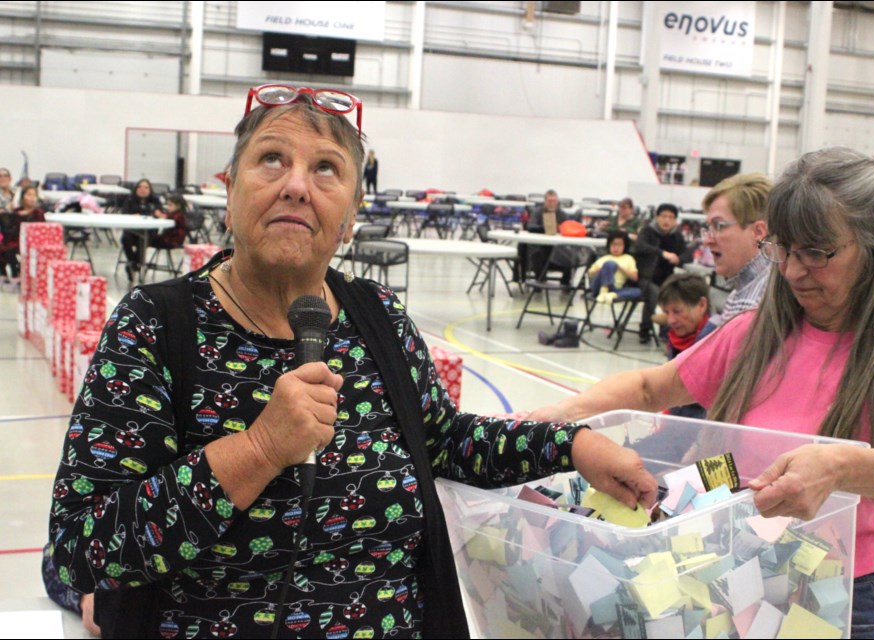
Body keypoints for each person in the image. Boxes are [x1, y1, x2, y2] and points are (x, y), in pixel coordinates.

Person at [49, 86, 658, 639]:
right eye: (271, 160)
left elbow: (445, 442)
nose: (296, 185)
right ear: (228, 191)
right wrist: (259, 450)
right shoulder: (157, 325)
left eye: (325, 169)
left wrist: (572, 445)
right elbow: (81, 548)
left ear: (349, 218)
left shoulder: (376, 313)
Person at [530, 147, 874, 639]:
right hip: (733, 580)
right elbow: (650, 386)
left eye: (817, 253)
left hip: (841, 600)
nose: (795, 271)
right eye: (784, 250)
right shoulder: (755, 334)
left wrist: (844, 467)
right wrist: (552, 417)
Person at [700, 172, 772, 332]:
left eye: (719, 226)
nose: (707, 240)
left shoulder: (771, 298)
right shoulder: (738, 293)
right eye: (708, 228)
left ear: (758, 232)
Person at [632, 203, 691, 343]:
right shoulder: (647, 231)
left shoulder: (676, 235)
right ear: (657, 217)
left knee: (678, 293)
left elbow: (688, 254)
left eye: (671, 218)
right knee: (654, 292)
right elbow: (640, 246)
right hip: (644, 276)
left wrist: (679, 258)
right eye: (664, 216)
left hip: (666, 278)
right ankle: (645, 329)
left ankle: (669, 330)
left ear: (675, 221)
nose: (667, 221)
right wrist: (662, 253)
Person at [657, 273, 710, 419]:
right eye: (667, 312)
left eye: (677, 311)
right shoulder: (674, 337)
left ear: (702, 305)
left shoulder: (714, 341)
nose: (671, 320)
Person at [523, 189, 575, 284]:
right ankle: (540, 282)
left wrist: (560, 229)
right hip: (541, 248)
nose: (552, 204)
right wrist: (545, 228)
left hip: (558, 249)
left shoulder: (562, 215)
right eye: (549, 201)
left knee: (570, 254)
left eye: (554, 201)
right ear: (545, 201)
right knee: (535, 254)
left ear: (557, 202)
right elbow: (530, 226)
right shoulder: (538, 212)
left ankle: (565, 283)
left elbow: (569, 228)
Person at [119, 178, 164, 281]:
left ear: (150, 190)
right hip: (132, 230)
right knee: (125, 238)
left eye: (146, 187)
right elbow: (124, 214)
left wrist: (155, 214)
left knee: (143, 240)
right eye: (140, 187)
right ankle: (134, 264)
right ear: (136, 189)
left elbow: (160, 214)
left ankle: (132, 265)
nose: (142, 189)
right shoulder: (130, 200)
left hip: (149, 231)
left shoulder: (155, 201)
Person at [0, 184, 45, 283]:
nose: (32, 198)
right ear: (23, 197)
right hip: (16, 238)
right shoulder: (16, 211)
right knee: (4, 246)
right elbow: (11, 229)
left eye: (34, 195)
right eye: (29, 195)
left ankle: (16, 274)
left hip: (32, 241)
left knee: (11, 248)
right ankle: (5, 273)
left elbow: (41, 230)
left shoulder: (38, 213)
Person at [587, 230, 640, 303]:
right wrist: (601, 270)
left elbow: (635, 278)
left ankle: (612, 295)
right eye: (613, 244)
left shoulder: (629, 258)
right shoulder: (604, 258)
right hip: (598, 287)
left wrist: (619, 267)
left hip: (615, 288)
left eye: (619, 245)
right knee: (610, 264)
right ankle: (604, 291)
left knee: (637, 291)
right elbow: (590, 274)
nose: (616, 248)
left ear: (625, 246)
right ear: (609, 245)